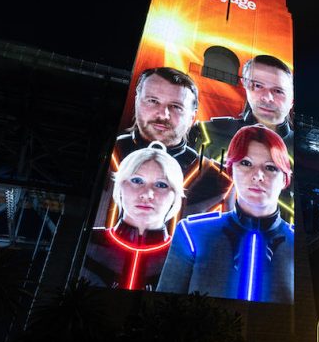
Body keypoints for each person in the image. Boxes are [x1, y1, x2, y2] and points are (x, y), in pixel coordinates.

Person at [157, 125, 293, 302]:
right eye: (246, 163)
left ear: (284, 179)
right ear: (231, 170)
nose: (258, 175)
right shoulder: (192, 233)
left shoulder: (295, 243)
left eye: (270, 167)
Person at [96, 67, 231, 227]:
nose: (162, 114)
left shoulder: (218, 180)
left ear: (192, 117)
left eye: (176, 106)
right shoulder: (102, 153)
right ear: (137, 102)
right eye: (153, 101)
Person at [81, 143, 184, 290]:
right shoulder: (86, 240)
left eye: (161, 185)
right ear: (120, 186)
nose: (147, 194)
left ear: (175, 195)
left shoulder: (184, 256)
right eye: (137, 181)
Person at [194, 55, 294, 161]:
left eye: (278, 91)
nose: (267, 98)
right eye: (258, 86)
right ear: (244, 85)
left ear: (292, 99)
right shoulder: (208, 133)